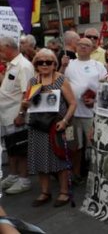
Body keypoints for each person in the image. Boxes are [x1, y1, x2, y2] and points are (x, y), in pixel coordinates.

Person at [24, 49, 77, 207]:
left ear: (55, 64)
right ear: (36, 65)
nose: (45, 65)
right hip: (37, 126)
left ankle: (63, 192)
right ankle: (45, 192)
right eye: (41, 62)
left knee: (59, 159)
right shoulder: (33, 81)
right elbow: (26, 101)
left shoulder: (61, 80)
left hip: (56, 126)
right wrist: (24, 105)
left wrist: (66, 121)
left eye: (49, 62)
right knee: (40, 158)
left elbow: (73, 103)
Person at [65, 37, 107, 182]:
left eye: (87, 45)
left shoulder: (98, 65)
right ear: (76, 47)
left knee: (93, 145)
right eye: (80, 45)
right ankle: (76, 173)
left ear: (92, 48)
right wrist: (61, 66)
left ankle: (96, 175)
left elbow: (105, 88)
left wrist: (95, 100)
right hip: (72, 114)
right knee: (74, 146)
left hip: (91, 113)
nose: (83, 47)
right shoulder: (68, 64)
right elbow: (58, 82)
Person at [0, 37, 34, 195]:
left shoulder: (24, 66)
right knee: (12, 147)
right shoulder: (12, 64)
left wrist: (22, 114)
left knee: (21, 148)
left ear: (8, 47)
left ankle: (24, 179)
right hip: (7, 115)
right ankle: (13, 175)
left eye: (0, 49)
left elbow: (27, 93)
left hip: (16, 115)